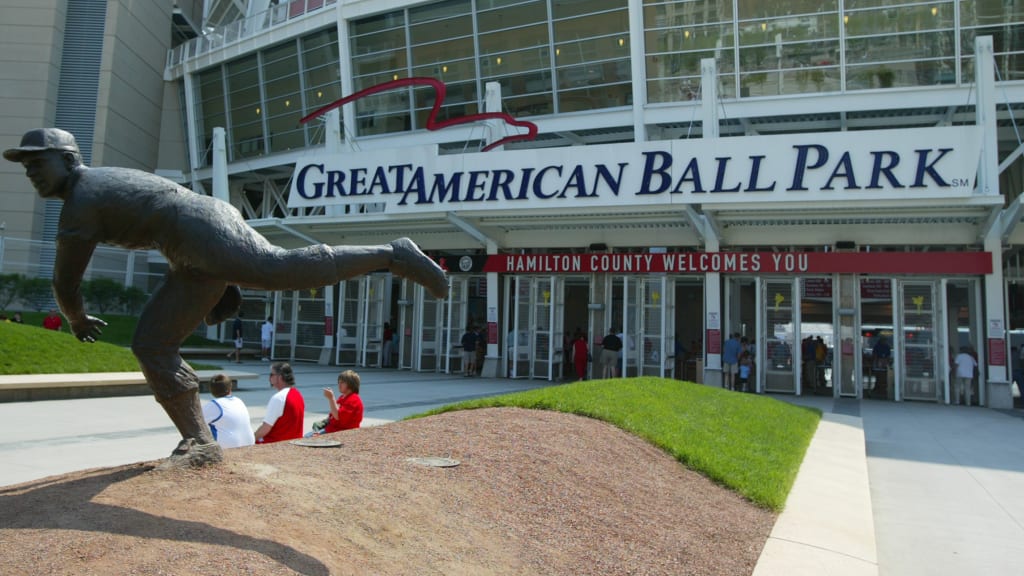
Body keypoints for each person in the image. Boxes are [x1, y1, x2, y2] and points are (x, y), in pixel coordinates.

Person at [4, 127, 447, 468]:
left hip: (198, 230)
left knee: (278, 269)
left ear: (66, 159)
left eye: (37, 164)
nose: (31, 173)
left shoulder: (83, 199)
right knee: (153, 345)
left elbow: (65, 284)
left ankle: (393, 255)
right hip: (189, 248)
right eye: (26, 167)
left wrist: (77, 319)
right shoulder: (87, 193)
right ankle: (199, 441)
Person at [254, 362, 305, 443]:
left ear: (280, 377)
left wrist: (251, 439)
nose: (269, 377)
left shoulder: (278, 398)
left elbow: (265, 429)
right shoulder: (298, 394)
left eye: (272, 374)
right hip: (295, 441)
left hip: (276, 443)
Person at [201, 373, 255, 449]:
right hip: (249, 443)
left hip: (229, 448)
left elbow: (195, 422)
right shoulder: (238, 401)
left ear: (211, 390)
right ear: (230, 387)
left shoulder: (214, 405)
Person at [311, 369, 364, 436]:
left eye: (342, 382)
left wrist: (331, 398)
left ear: (351, 384)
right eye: (338, 382)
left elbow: (338, 416)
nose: (339, 384)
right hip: (333, 430)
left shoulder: (354, 400)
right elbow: (333, 415)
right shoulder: (343, 397)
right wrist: (323, 423)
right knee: (310, 434)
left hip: (340, 433)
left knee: (306, 437)